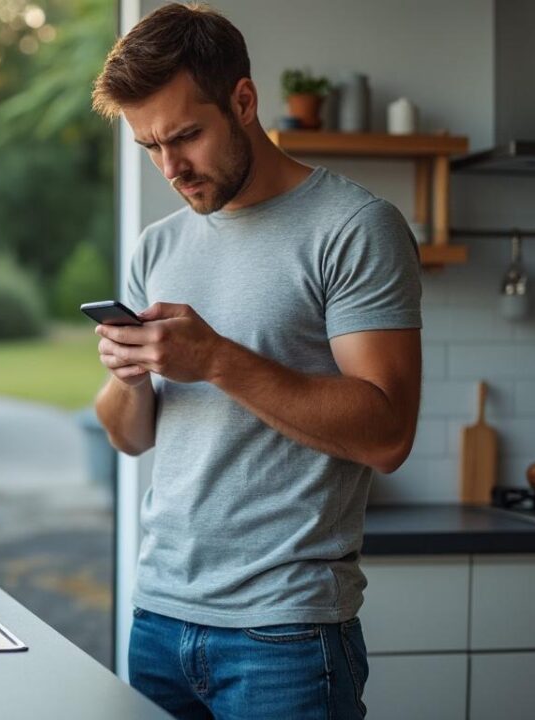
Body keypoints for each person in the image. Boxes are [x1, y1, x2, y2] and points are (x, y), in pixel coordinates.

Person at [90, 4, 422, 719]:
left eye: (185, 136)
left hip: (286, 635)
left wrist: (214, 359)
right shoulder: (159, 245)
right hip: (158, 619)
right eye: (150, 146)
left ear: (243, 101)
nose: (171, 168)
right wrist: (128, 373)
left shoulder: (355, 228)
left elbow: (389, 432)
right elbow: (130, 435)